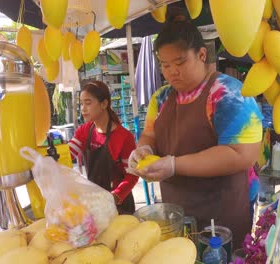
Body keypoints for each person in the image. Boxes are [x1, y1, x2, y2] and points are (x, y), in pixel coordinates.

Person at [127, 13, 263, 247]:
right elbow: (150, 134)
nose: (171, 72)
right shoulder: (161, 98)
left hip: (222, 212)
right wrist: (143, 149)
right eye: (165, 65)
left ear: (201, 55)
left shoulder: (229, 94)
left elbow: (242, 154)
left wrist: (173, 165)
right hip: (177, 211)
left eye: (179, 63)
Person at [69, 80, 138, 214]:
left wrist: (116, 196)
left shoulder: (124, 137)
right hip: (95, 203)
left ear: (104, 104)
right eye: (81, 103)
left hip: (120, 205)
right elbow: (68, 154)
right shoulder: (84, 131)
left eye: (88, 103)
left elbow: (132, 175)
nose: (83, 109)